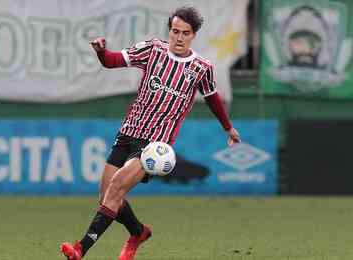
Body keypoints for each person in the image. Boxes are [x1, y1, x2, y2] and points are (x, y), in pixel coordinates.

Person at [60, 6, 240, 260]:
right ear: (169, 31)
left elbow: (212, 99)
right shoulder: (152, 49)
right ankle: (138, 232)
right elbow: (112, 61)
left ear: (193, 35)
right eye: (175, 31)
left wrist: (228, 128)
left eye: (185, 33)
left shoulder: (201, 67)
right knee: (106, 196)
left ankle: (80, 249)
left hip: (155, 145)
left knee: (115, 189)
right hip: (128, 132)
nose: (179, 37)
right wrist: (101, 51)